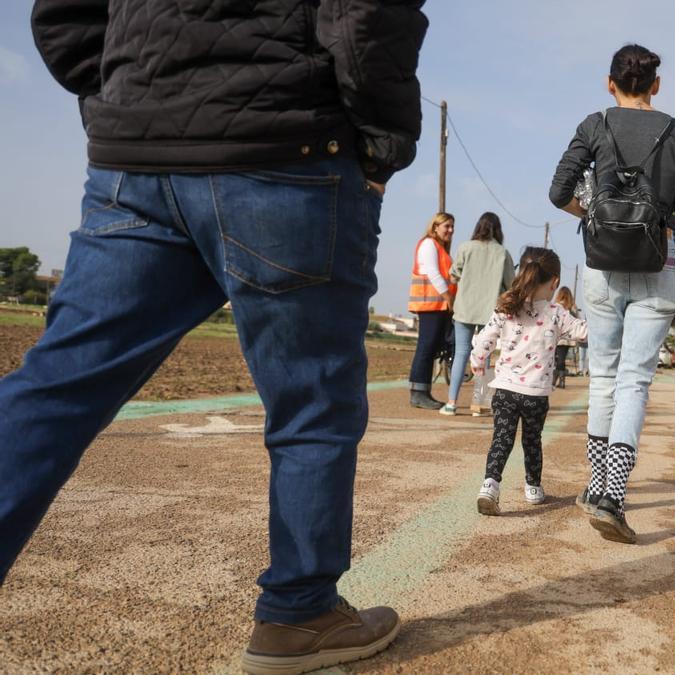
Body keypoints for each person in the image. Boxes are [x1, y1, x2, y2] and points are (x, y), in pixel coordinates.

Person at [3, 2, 427, 673]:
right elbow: (366, 13)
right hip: (287, 142)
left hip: (136, 153)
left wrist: (124, 96)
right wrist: (382, 138)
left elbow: (62, 12)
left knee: (58, 383)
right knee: (310, 402)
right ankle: (300, 612)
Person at [549, 44, 675, 544]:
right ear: (656, 84)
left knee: (604, 379)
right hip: (659, 264)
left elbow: (558, 190)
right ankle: (614, 496)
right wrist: (667, 240)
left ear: (608, 81)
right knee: (635, 382)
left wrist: (593, 218)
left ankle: (596, 488)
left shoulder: (595, 124)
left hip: (602, 268)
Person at [472, 249, 587, 515]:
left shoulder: (506, 307)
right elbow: (583, 333)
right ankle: (533, 487)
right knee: (532, 440)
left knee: (502, 438)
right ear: (554, 282)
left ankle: (490, 485)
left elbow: (484, 342)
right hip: (535, 394)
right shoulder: (556, 313)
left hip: (504, 390)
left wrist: (478, 364)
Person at [441, 212, 515, 416]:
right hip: (490, 311)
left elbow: (453, 276)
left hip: (464, 309)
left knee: (461, 354)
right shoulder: (503, 253)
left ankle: (451, 403)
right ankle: (478, 404)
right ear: (498, 229)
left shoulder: (465, 247)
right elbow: (511, 284)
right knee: (485, 356)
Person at [408, 212, 457, 409]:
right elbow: (433, 274)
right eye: (447, 226)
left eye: (452, 227)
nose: (451, 230)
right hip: (430, 305)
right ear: (435, 227)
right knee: (426, 347)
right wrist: (449, 298)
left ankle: (423, 391)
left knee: (431, 348)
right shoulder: (429, 245)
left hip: (438, 306)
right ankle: (418, 393)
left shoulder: (440, 248)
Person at [552, 287, 582, 389]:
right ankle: (559, 381)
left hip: (559, 338)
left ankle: (558, 381)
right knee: (561, 359)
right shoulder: (573, 307)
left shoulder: (556, 306)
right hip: (569, 339)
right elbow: (578, 321)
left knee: (557, 360)